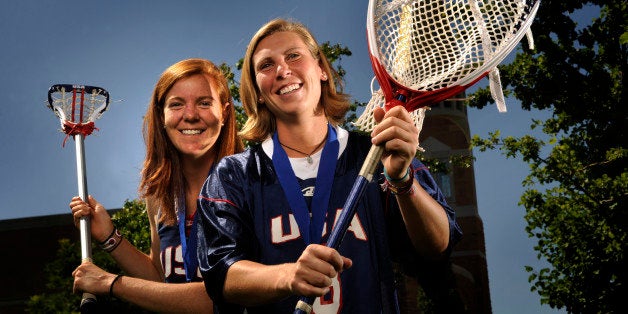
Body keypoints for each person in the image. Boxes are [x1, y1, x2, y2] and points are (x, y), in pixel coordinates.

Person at [196, 18, 463, 313]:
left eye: (294, 56)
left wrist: (401, 180)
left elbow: (439, 246)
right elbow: (220, 275)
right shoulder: (233, 175)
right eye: (266, 66)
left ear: (322, 69)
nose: (283, 71)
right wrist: (288, 276)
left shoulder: (377, 153)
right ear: (257, 91)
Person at [70, 58, 243, 312]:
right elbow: (162, 282)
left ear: (225, 112)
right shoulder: (160, 197)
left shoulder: (248, 185)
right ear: (161, 116)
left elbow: (222, 296)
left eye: (204, 103)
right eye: (176, 104)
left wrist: (111, 283)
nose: (191, 115)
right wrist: (109, 237)